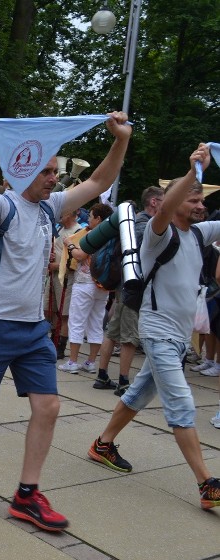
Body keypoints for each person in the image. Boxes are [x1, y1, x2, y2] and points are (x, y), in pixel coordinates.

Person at [0, 112, 131, 531]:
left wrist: (119, 140)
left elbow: (100, 182)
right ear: (22, 170)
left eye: (55, 171)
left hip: (32, 327)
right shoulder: (2, 205)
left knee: (48, 406)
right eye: (46, 171)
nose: (54, 178)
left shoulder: (51, 208)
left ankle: (27, 494)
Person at [88, 144, 220, 510]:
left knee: (138, 394)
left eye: (202, 200)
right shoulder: (158, 233)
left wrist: (197, 180)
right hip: (158, 331)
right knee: (181, 404)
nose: (200, 204)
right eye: (194, 198)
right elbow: (168, 206)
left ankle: (102, 445)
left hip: (177, 338)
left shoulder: (198, 234)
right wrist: (194, 170)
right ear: (170, 201)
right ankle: (207, 484)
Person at [88, 186, 163, 393]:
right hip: (134, 288)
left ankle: (102, 376)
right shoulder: (144, 227)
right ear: (154, 202)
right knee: (129, 338)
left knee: (112, 332)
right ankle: (123, 382)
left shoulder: (132, 223)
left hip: (123, 286)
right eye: (163, 200)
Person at [58, 203, 113, 374]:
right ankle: (90, 362)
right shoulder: (113, 234)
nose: (88, 219)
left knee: (77, 321)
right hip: (103, 286)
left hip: (85, 282)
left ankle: (73, 361)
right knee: (96, 323)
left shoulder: (94, 234)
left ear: (98, 219)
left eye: (90, 216)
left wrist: (70, 244)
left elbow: (80, 255)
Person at [45, 208, 82, 359]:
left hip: (67, 278)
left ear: (73, 213)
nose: (60, 215)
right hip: (53, 276)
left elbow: (77, 259)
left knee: (64, 313)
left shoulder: (79, 231)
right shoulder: (59, 229)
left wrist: (58, 265)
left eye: (64, 212)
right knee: (50, 309)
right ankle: (53, 340)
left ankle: (60, 346)